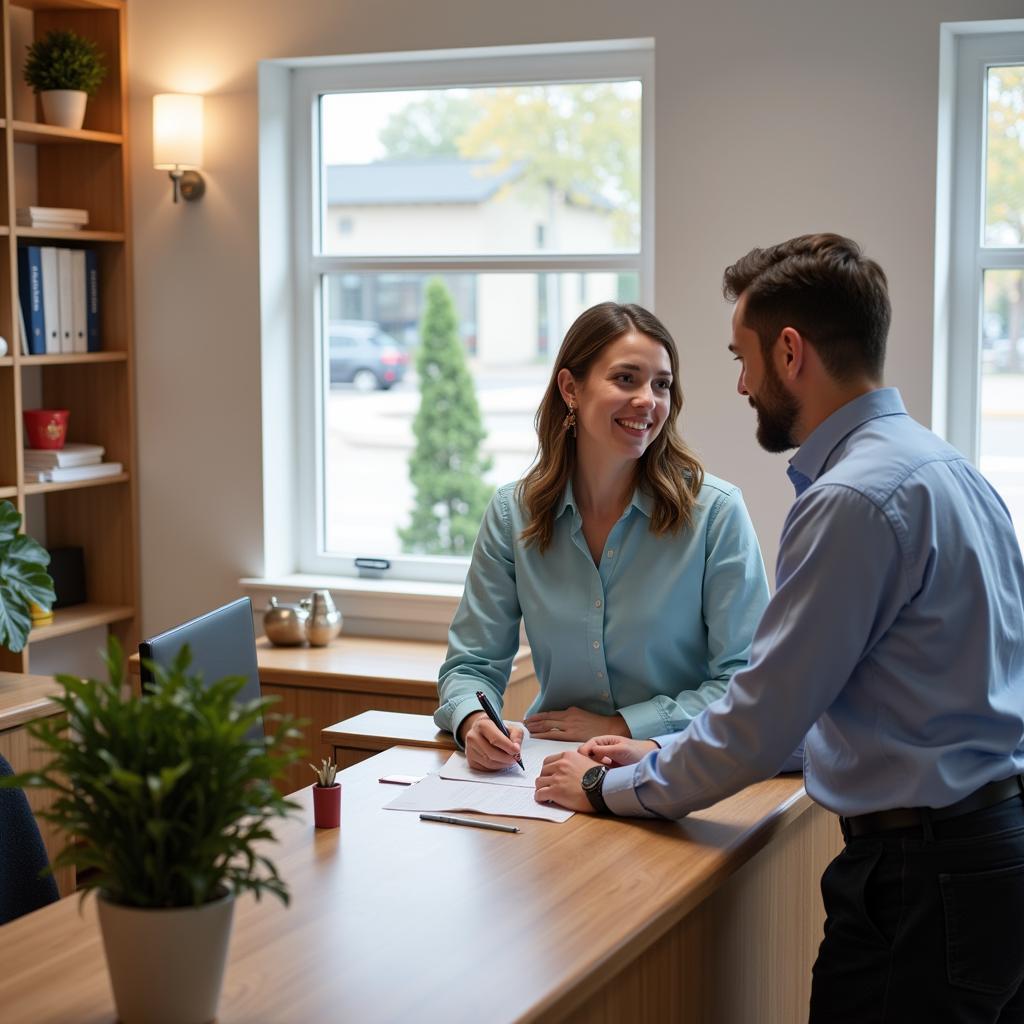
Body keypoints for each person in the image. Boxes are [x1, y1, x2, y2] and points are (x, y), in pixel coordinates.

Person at [535, 233, 1024, 1022]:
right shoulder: (946, 468)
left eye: (742, 357)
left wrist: (608, 786)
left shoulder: (853, 500)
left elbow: (759, 720)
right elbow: (847, 701)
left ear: (790, 351)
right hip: (987, 854)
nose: (737, 385)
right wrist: (662, 749)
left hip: (919, 884)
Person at [434, 301, 770, 772]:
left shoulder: (715, 513)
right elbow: (472, 665)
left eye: (662, 385)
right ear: (571, 388)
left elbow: (747, 681)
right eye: (626, 379)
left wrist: (624, 724)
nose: (648, 401)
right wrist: (474, 720)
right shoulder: (514, 513)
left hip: (675, 770)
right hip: (548, 770)